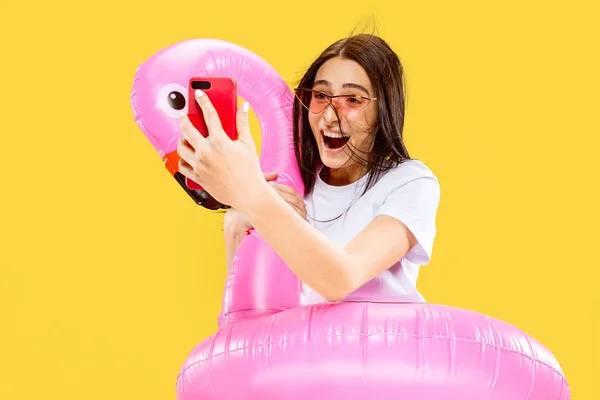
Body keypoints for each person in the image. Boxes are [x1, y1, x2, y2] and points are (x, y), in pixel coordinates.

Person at [176, 33, 441, 305]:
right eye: (320, 95)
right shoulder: (287, 185)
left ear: (383, 110)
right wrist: (235, 226)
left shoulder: (410, 183)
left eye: (353, 100)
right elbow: (247, 316)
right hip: (304, 346)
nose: (329, 116)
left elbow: (342, 279)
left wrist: (252, 195)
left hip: (382, 346)